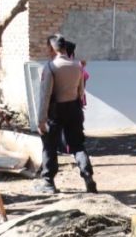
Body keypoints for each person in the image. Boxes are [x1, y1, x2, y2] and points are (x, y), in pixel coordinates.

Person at [35, 34, 96, 193]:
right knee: (77, 145)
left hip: (56, 111)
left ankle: (48, 182)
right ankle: (88, 176)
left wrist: (41, 120)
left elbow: (45, 95)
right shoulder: (77, 66)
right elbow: (81, 91)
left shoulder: (51, 67)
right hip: (74, 108)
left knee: (49, 145)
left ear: (51, 48)